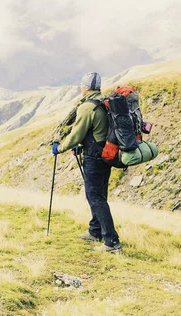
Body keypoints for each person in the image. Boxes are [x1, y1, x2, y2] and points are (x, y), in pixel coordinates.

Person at [52, 72, 122, 253]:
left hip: (95, 158)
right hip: (106, 155)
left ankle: (111, 241)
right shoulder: (104, 101)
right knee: (100, 195)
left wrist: (60, 148)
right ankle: (95, 231)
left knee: (95, 197)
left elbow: (76, 134)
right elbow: (97, 131)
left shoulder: (87, 107)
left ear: (85, 87)